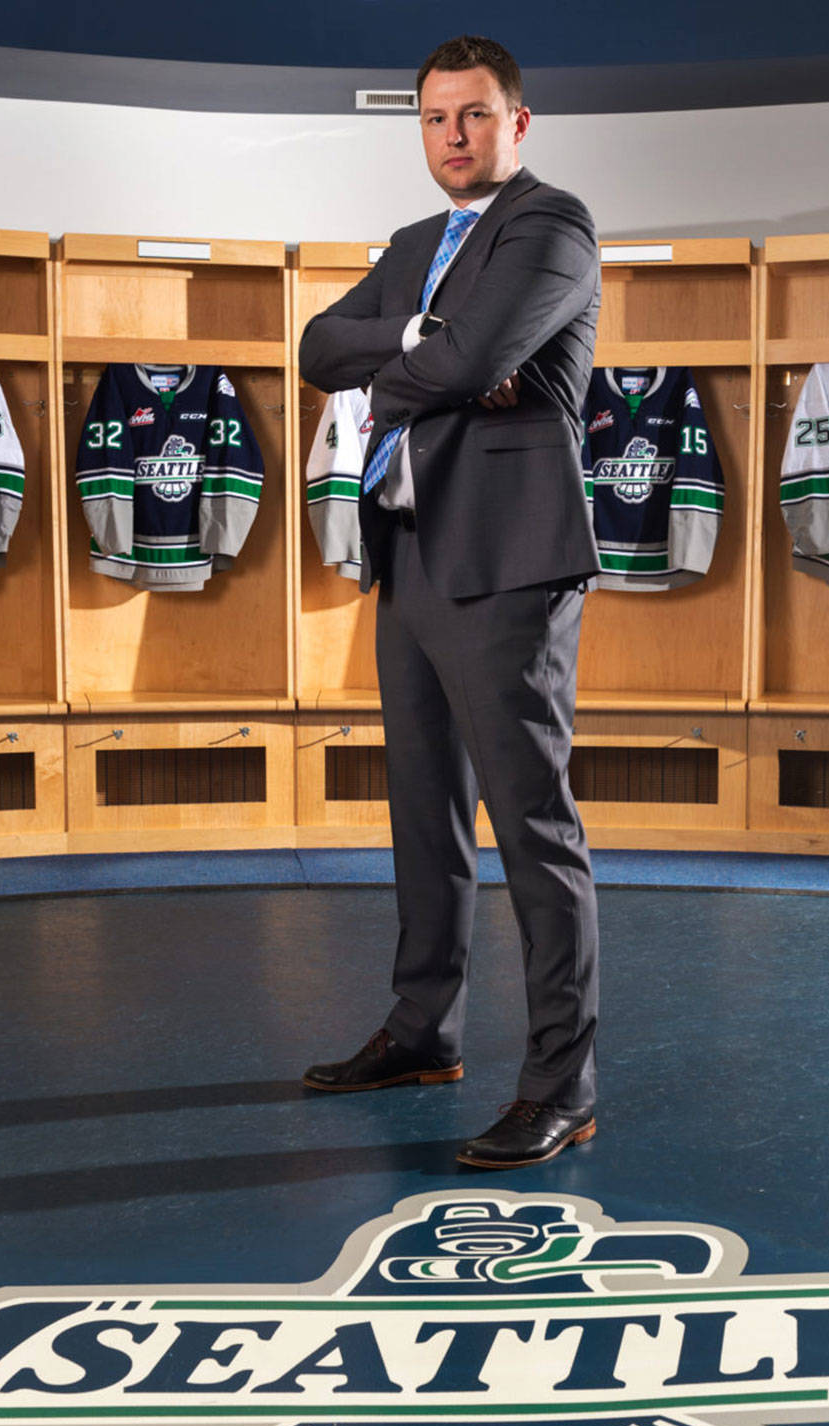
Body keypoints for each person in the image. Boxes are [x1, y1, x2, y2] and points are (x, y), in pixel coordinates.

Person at [298, 34, 601, 1169]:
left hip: (510, 559)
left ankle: (561, 1085)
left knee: (531, 827)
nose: (453, 137)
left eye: (474, 116)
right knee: (423, 813)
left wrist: (433, 361)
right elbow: (317, 347)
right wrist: (422, 340)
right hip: (411, 549)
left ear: (516, 123)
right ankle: (422, 1030)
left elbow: (477, 366)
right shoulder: (416, 243)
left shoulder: (551, 225)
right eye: (434, 119)